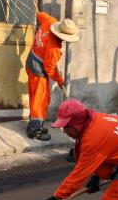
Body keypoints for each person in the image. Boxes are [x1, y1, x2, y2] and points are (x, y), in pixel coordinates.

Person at [25, 9, 80, 140]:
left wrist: (38, 14)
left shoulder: (50, 21)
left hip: (30, 62)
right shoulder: (54, 47)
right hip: (38, 69)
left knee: (35, 96)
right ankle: (34, 130)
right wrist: (60, 80)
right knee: (40, 100)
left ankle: (35, 124)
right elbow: (49, 68)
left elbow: (41, 15)